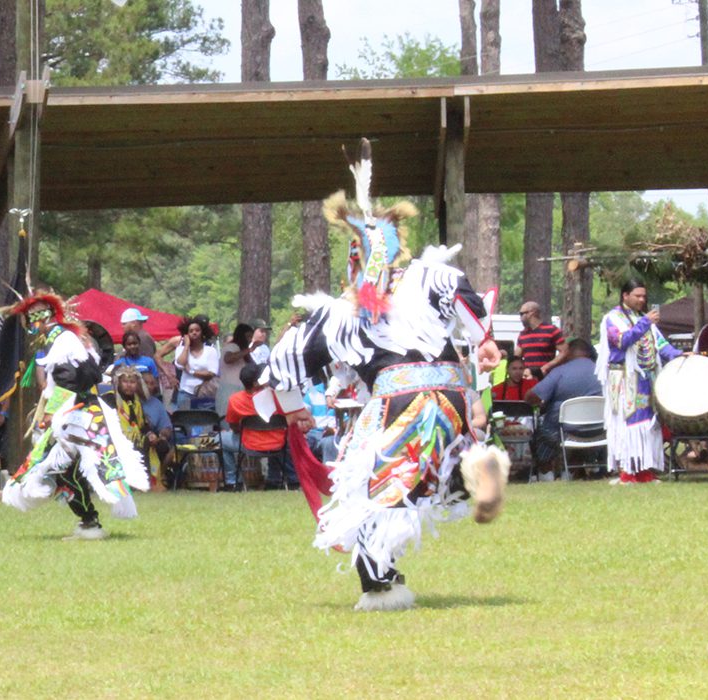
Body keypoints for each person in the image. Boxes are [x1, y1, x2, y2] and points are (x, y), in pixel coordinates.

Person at [263, 143, 508, 612]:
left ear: (355, 259)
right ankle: (466, 472)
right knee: (424, 480)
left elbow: (280, 365)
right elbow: (469, 309)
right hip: (451, 396)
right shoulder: (431, 275)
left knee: (369, 496)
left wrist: (292, 408)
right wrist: (486, 339)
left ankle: (381, 589)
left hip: (401, 402)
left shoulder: (341, 314)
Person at [3, 294, 149, 539]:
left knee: (65, 468)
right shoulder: (60, 338)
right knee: (61, 470)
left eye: (32, 319)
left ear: (42, 319)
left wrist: (50, 413)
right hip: (76, 412)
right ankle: (88, 521)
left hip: (78, 414)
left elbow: (70, 379)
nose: (30, 325)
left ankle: (90, 523)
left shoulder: (64, 339)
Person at [596, 280, 682, 485]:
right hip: (624, 380)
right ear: (625, 295)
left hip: (645, 379)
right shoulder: (613, 318)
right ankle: (627, 472)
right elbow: (622, 341)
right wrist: (645, 323)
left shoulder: (643, 319)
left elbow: (661, 345)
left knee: (647, 425)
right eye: (637, 296)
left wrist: (679, 355)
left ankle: (644, 471)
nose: (642, 300)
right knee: (628, 425)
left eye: (644, 296)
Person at [528, 339, 603, 480]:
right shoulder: (602, 372)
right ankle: (575, 471)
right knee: (579, 434)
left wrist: (546, 402)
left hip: (562, 432)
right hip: (597, 431)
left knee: (541, 434)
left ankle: (546, 473)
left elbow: (531, 396)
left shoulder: (560, 372)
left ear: (568, 352)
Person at [227, 364, 310, 490]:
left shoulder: (235, 400)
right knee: (287, 440)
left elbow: (233, 425)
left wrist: (242, 430)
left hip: (249, 444)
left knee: (221, 440)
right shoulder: (276, 397)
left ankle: (233, 481)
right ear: (256, 383)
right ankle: (288, 480)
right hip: (278, 443)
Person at [107, 366, 172, 485]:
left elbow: (142, 425)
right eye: (125, 382)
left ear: (137, 384)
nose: (129, 385)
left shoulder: (136, 401)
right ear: (118, 383)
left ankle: (150, 481)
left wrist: (150, 433)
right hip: (115, 439)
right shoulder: (110, 398)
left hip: (136, 438)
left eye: (132, 382)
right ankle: (138, 482)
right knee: (142, 444)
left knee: (160, 445)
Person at [170, 316, 219, 410]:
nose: (194, 332)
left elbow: (211, 373)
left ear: (202, 332)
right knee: (184, 422)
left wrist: (191, 371)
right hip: (185, 393)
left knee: (203, 423)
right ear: (186, 334)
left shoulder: (210, 350)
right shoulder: (181, 349)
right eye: (191, 331)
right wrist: (187, 345)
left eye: (197, 330)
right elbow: (180, 365)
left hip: (204, 394)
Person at [516, 302, 564, 378]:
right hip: (528, 378)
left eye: (522, 314)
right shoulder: (523, 334)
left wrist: (546, 367)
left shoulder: (551, 330)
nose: (520, 318)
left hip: (547, 377)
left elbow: (564, 352)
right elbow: (517, 357)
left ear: (531, 313)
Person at [215, 325, 252, 411]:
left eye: (251, 337)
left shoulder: (243, 350)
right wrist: (249, 350)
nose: (250, 340)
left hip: (240, 391)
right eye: (248, 337)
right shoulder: (232, 347)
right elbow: (228, 358)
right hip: (229, 390)